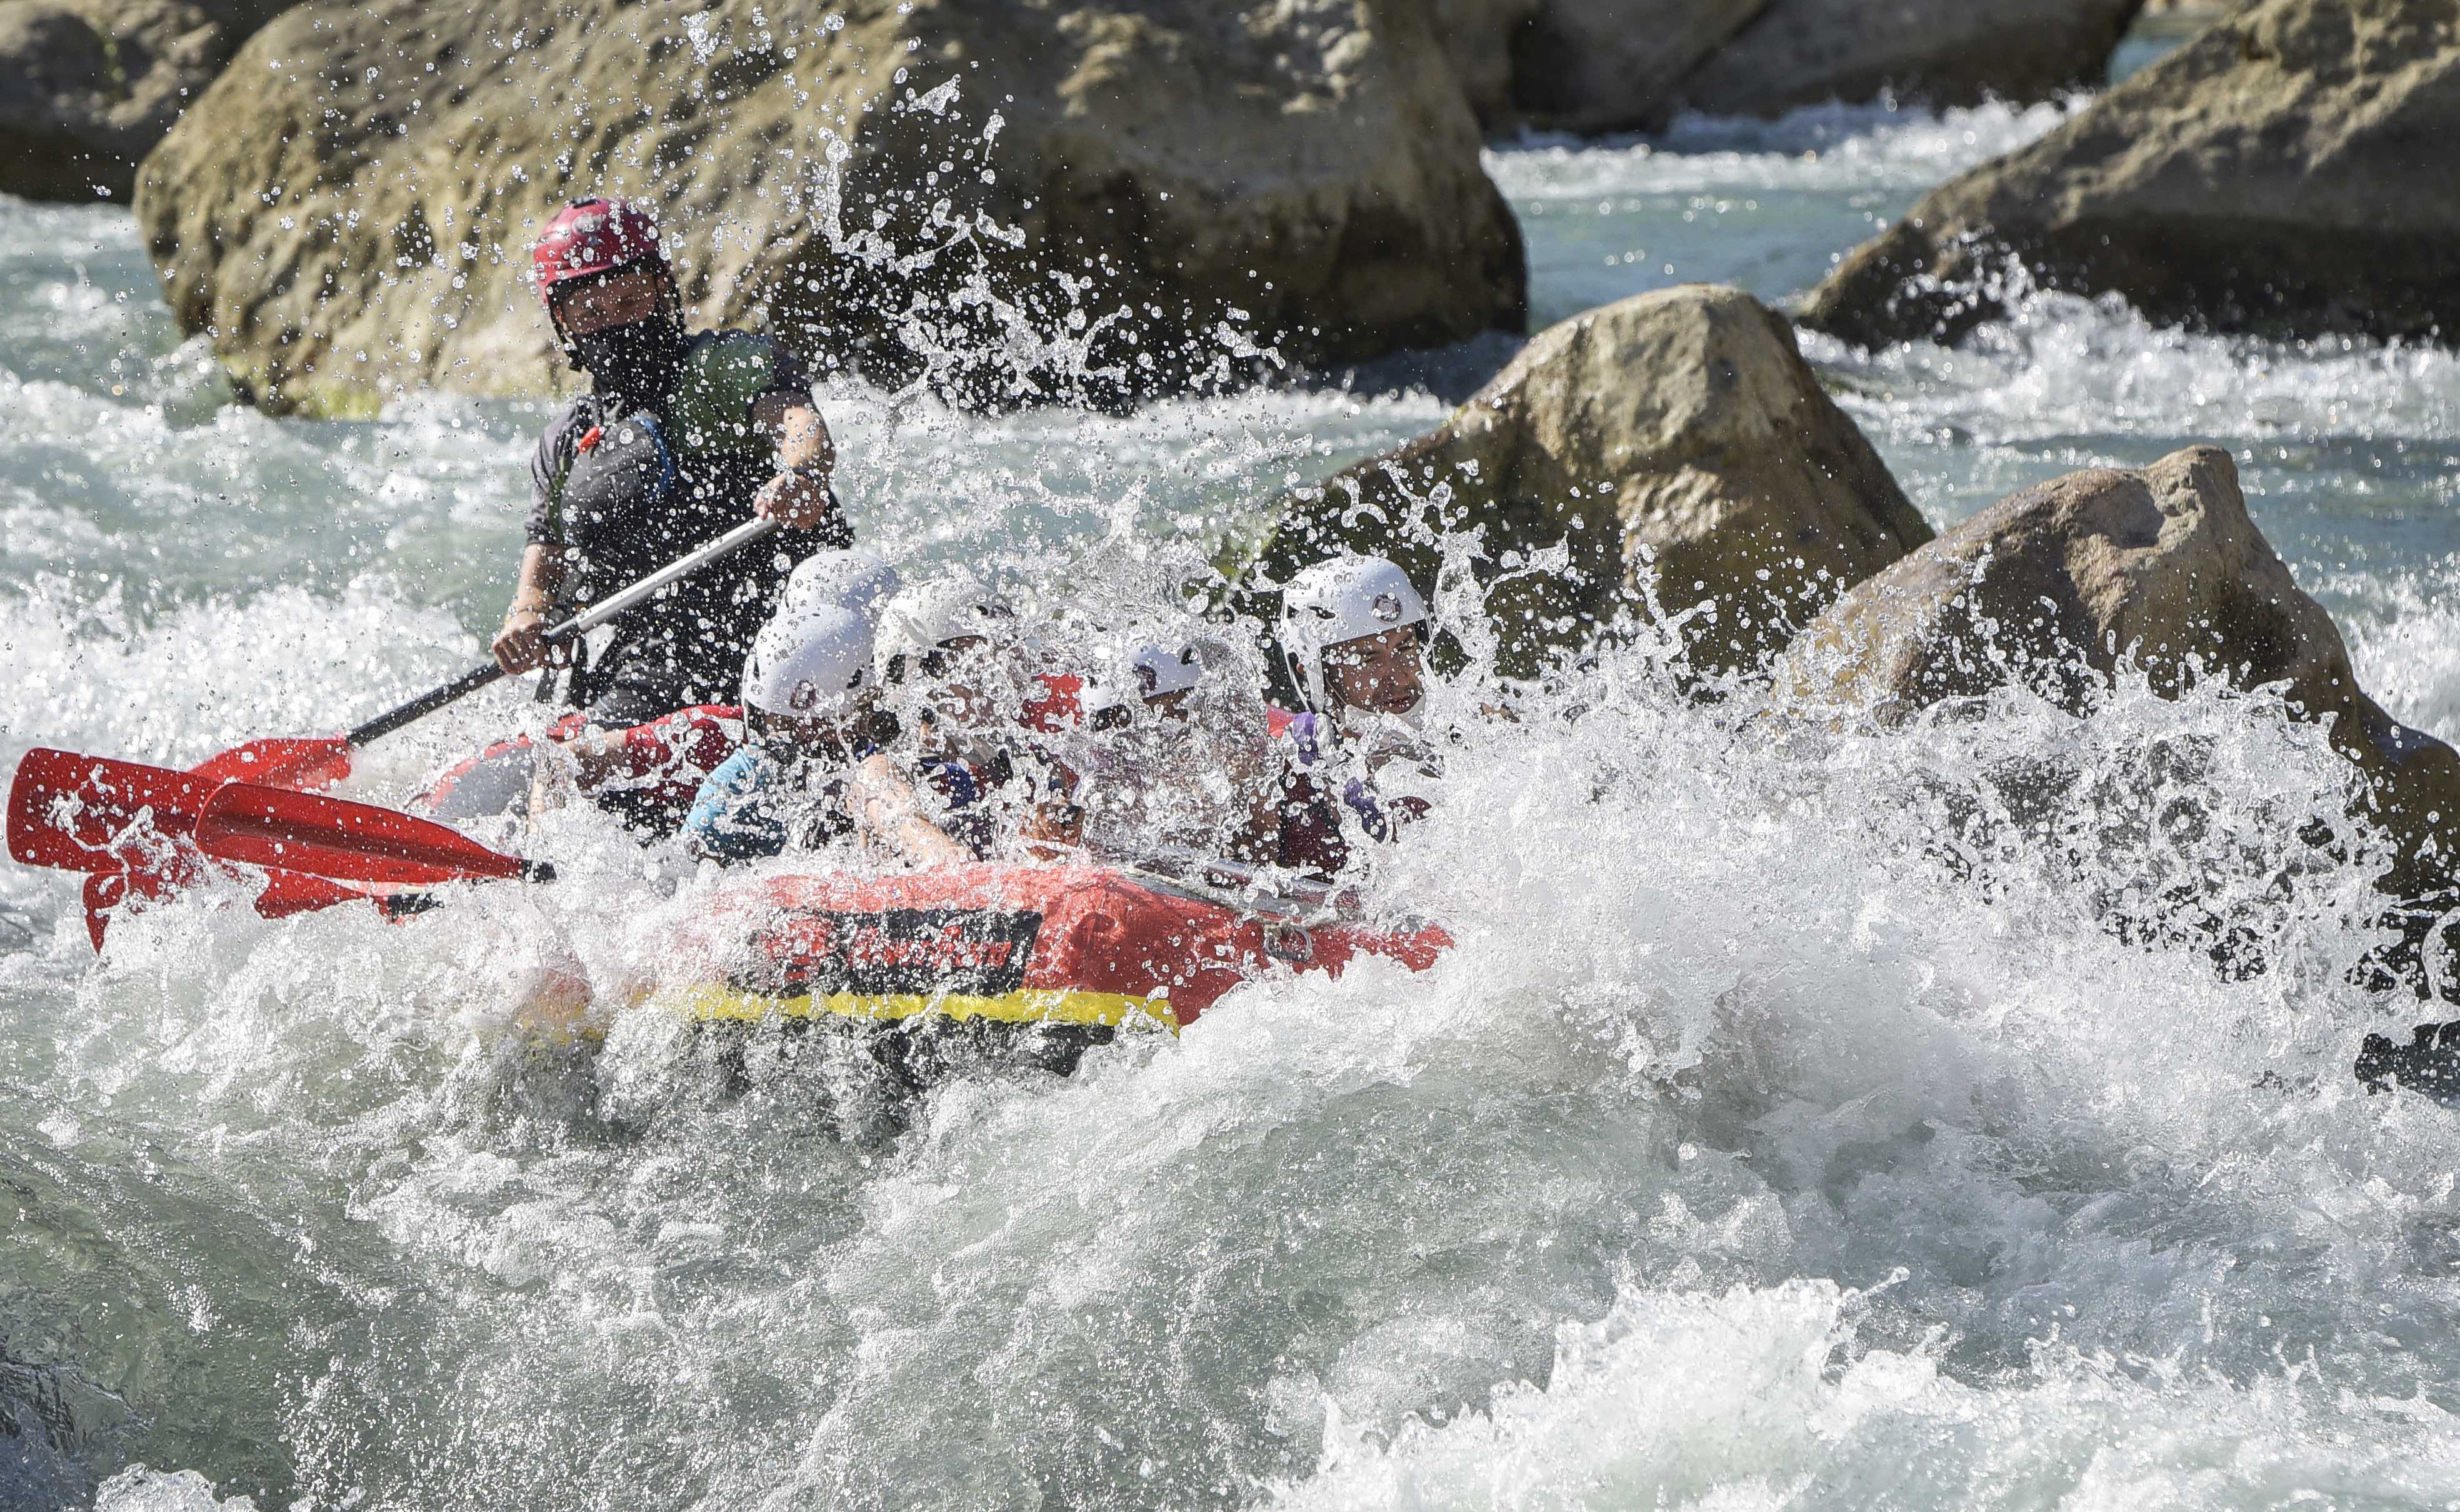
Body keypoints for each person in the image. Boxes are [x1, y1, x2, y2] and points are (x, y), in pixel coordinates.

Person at [491, 196, 853, 724]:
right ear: (563, 321)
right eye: (591, 313)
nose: (614, 324)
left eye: (629, 301)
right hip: (650, 659)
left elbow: (797, 422)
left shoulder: (722, 367)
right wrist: (527, 619)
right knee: (567, 764)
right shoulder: (565, 443)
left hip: (781, 642)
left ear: (662, 290)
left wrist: (803, 476)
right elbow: (543, 559)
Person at [681, 605, 968, 866]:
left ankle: (947, 861)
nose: (791, 737)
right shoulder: (738, 782)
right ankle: (950, 862)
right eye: (780, 724)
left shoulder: (886, 755)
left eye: (800, 725)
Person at [1239, 554, 1442, 876]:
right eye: (1368, 659)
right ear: (1314, 674)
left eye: (1404, 649)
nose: (1398, 676)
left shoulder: (1466, 748)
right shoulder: (1280, 771)